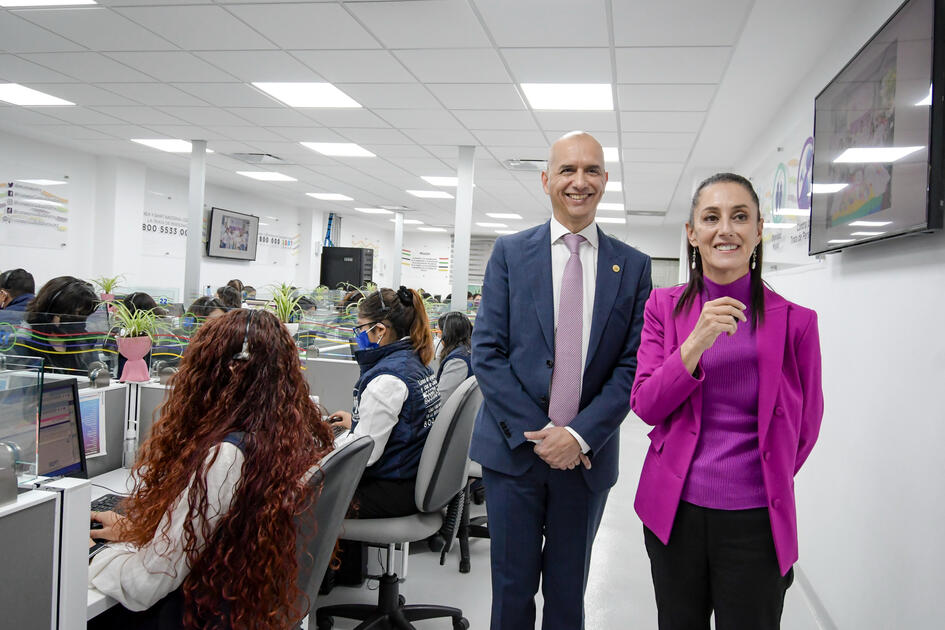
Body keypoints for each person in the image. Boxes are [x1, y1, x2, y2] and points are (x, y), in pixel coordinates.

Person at [470, 131, 652, 630]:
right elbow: (487, 352)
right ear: (546, 179)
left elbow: (631, 366)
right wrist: (544, 434)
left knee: (569, 595)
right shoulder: (510, 253)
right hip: (513, 453)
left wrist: (575, 435)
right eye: (568, 170)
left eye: (592, 170)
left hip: (586, 457)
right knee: (510, 592)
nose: (580, 181)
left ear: (605, 181)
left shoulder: (632, 266)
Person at [631, 173, 824, 630]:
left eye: (740, 217)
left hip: (756, 521)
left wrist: (757, 478)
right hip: (674, 514)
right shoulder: (664, 306)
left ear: (759, 231)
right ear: (692, 233)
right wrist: (694, 344)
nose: (726, 230)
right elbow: (645, 404)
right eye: (711, 217)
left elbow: (806, 426)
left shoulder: (797, 322)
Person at [88, 309, 335, 629]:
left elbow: (144, 586)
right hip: (243, 599)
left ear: (221, 371)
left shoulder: (226, 455)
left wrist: (95, 554)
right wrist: (140, 534)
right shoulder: (283, 432)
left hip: (199, 613)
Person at [329, 286, 441, 518]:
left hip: (390, 489)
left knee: (299, 499)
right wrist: (357, 424)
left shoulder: (388, 379)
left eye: (360, 328)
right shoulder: (415, 363)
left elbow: (364, 456)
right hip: (408, 477)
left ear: (379, 330)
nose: (357, 335)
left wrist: (322, 447)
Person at [17, 276, 100, 374]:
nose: (81, 322)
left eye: (84, 316)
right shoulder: (23, 344)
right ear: (53, 310)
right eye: (76, 315)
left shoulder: (83, 345)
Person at [436, 311, 473, 403]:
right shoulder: (468, 350)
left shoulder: (457, 361)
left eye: (439, 331)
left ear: (447, 333)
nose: (438, 336)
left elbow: (442, 399)